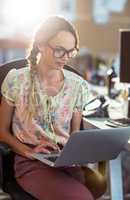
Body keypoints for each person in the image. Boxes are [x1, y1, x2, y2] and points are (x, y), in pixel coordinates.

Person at [0, 16, 95, 200]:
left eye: (71, 51)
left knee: (94, 186)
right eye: (59, 50)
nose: (66, 58)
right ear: (41, 45)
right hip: (30, 161)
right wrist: (29, 152)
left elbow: (74, 134)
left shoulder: (77, 86)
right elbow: (1, 131)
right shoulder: (17, 80)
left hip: (65, 161)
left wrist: (80, 150)